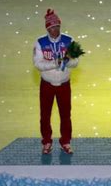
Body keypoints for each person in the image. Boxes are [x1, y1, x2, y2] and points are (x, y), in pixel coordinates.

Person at [33, 9, 79, 154]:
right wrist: (55, 63)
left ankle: (65, 141)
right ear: (47, 28)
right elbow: (37, 64)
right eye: (52, 28)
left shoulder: (69, 40)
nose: (55, 30)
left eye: (57, 27)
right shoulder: (40, 42)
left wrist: (66, 61)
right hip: (47, 84)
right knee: (45, 114)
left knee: (65, 114)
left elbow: (76, 61)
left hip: (64, 84)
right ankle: (46, 141)